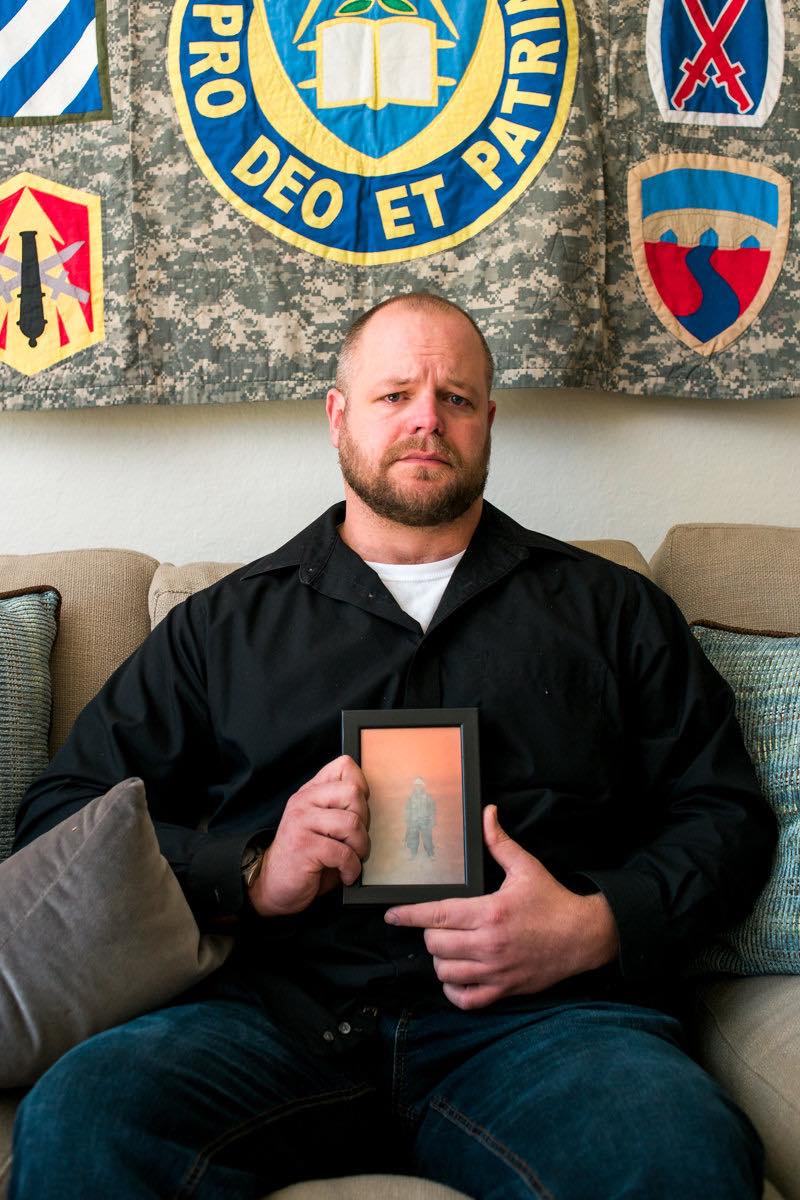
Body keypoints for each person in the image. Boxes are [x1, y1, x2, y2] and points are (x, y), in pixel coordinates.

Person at [11, 292, 776, 1200]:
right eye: (394, 395)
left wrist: (596, 922)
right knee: (84, 1116)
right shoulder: (218, 630)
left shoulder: (613, 613)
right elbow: (62, 815)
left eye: (456, 397)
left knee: (681, 1154)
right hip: (266, 1018)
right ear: (338, 417)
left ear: (489, 421)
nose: (427, 418)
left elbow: (725, 814)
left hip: (544, 1028)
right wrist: (249, 870)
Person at [405, 776, 436, 857]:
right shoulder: (411, 797)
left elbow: (432, 809)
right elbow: (408, 809)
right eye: (416, 785)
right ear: (414, 786)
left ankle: (430, 854)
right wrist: (407, 820)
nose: (418, 787)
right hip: (414, 821)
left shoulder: (427, 797)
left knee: (427, 838)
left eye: (419, 785)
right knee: (413, 838)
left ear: (423, 786)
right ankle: (413, 854)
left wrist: (432, 820)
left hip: (424, 821)